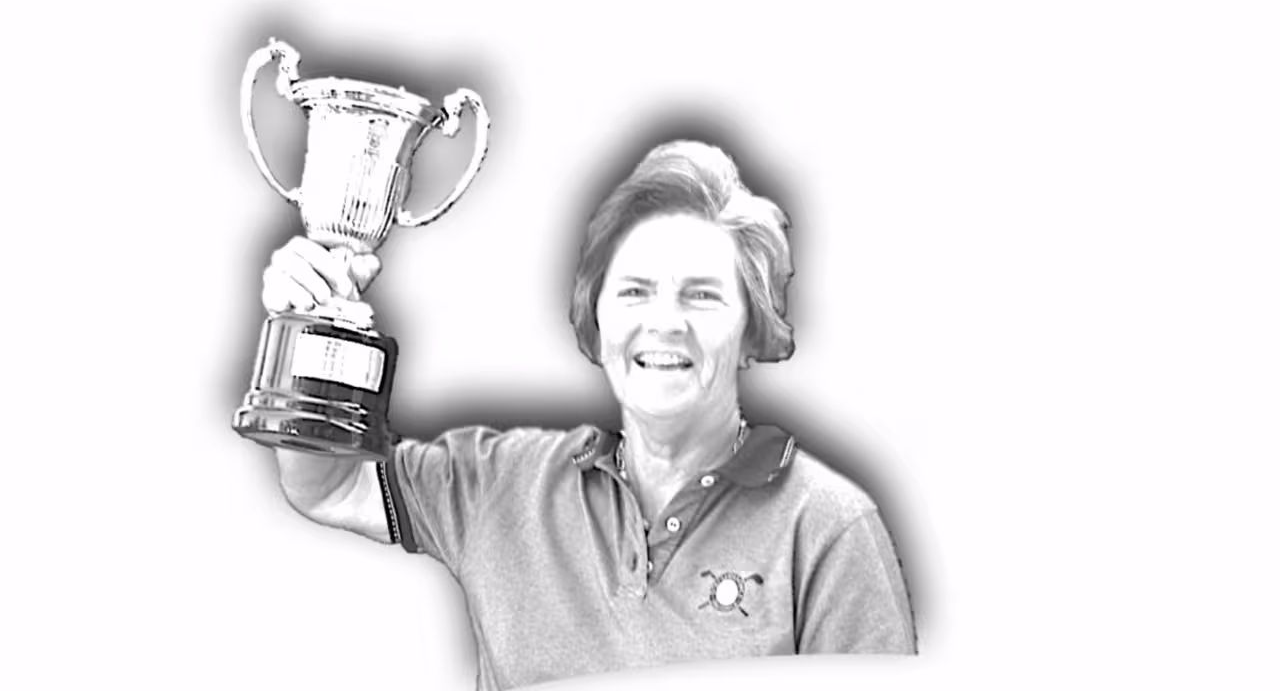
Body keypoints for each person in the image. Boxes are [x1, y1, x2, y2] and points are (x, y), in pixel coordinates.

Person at [259, 139, 917, 691]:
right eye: (634, 291)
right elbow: (330, 485)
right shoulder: (500, 483)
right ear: (596, 323)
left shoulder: (829, 528)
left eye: (702, 295)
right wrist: (313, 324)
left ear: (753, 329)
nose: (665, 322)